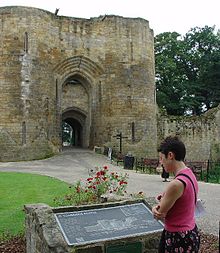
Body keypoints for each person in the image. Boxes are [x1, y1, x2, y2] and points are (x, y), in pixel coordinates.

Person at [152, 136, 200, 253]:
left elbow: (160, 214)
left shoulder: (176, 184)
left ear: (170, 155)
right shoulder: (189, 174)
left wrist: (154, 208)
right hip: (191, 231)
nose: (161, 162)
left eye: (161, 158)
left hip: (178, 237)